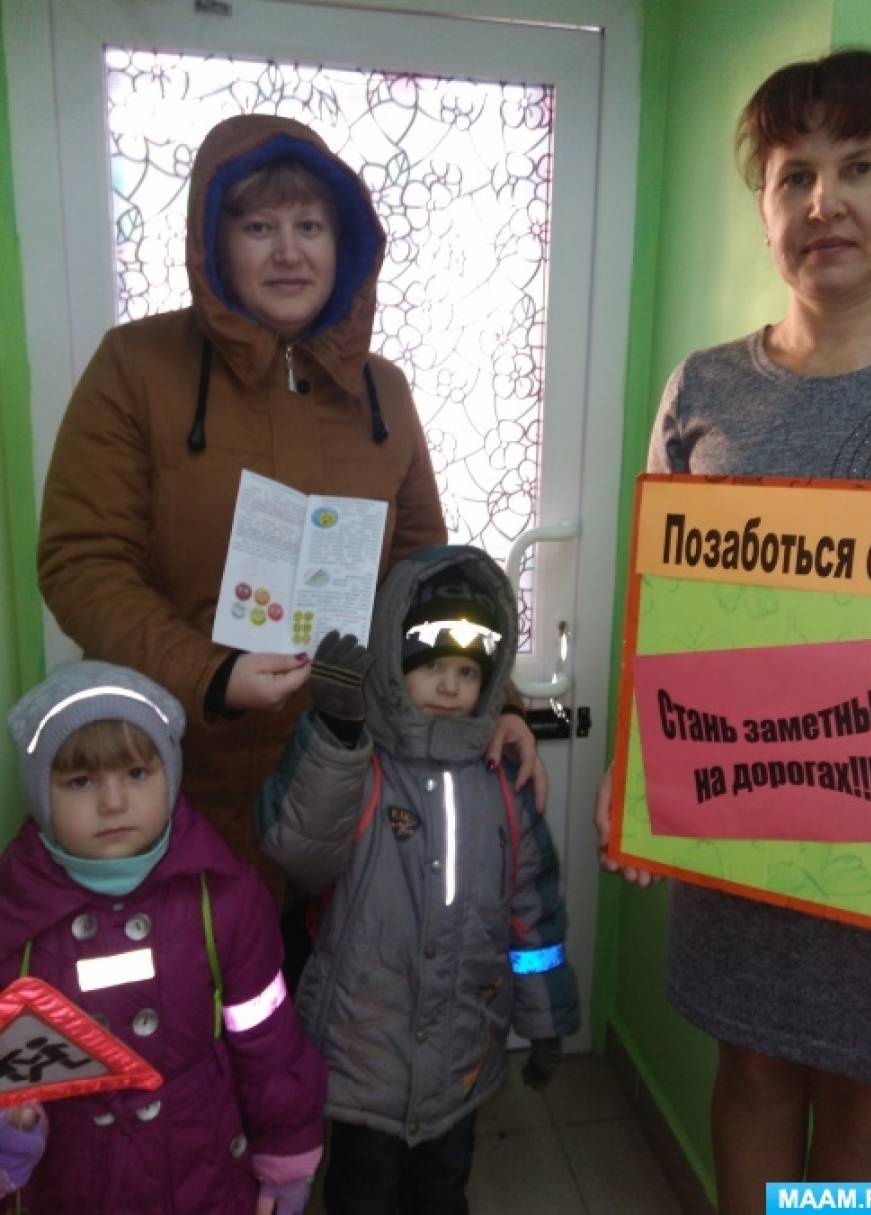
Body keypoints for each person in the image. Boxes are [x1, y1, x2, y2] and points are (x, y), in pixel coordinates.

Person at [36, 112, 541, 895]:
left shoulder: (383, 391)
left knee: (328, 972)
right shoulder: (137, 366)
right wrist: (212, 674)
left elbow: (428, 579)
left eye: (310, 225)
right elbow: (81, 561)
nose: (288, 251)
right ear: (213, 242)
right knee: (200, 968)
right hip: (166, 781)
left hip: (343, 786)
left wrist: (495, 699)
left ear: (344, 246)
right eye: (258, 226)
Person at [595, 47, 871, 1213]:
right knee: (754, 1071)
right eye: (793, 176)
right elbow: (659, 599)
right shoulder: (704, 390)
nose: (824, 202)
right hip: (738, 810)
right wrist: (635, 768)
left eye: (861, 166)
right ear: (765, 206)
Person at [257, 545, 579, 1214]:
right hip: (364, 1047)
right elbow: (298, 847)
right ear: (394, 663)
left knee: (441, 1190)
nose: (450, 686)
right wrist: (334, 735)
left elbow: (533, 917)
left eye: (467, 671)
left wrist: (546, 1016)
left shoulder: (502, 782)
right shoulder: (361, 765)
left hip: (462, 1048)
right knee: (363, 1192)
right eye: (431, 666)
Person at [0, 660, 327, 1214]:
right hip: (74, 1187)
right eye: (80, 781)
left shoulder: (224, 900)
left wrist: (287, 1157)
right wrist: (12, 1132)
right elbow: (15, 1074)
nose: (113, 802)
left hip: (205, 1178)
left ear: (170, 775)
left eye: (136, 773)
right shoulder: (17, 918)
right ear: (40, 792)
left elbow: (269, 1045)